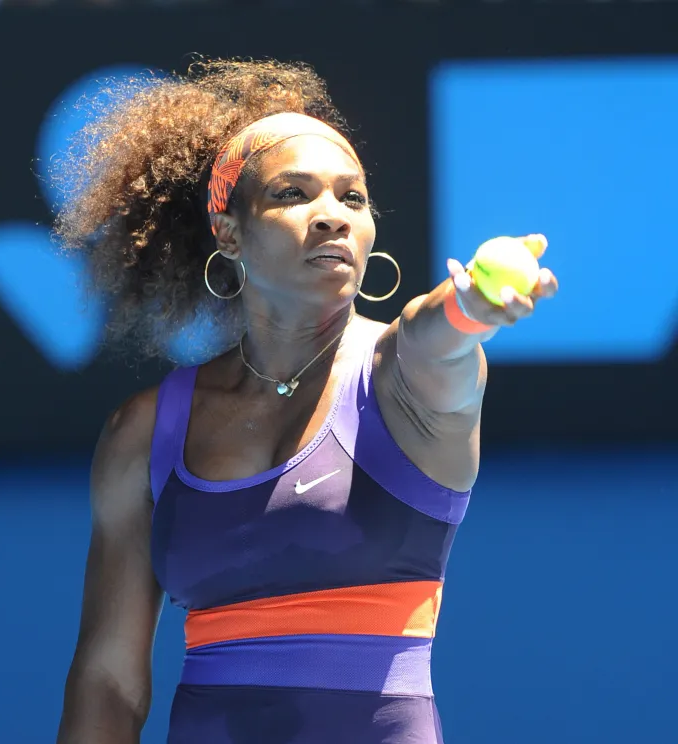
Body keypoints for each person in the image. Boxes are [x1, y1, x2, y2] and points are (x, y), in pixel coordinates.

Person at [54, 59, 557, 744]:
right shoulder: (142, 430)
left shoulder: (403, 378)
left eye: (353, 199)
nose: (332, 218)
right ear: (229, 231)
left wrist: (470, 308)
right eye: (294, 194)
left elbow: (434, 337)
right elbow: (108, 681)